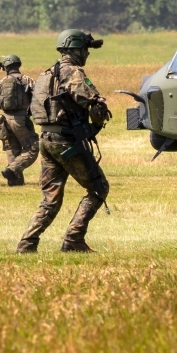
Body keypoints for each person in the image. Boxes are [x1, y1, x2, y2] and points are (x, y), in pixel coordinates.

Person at [17, 29, 112, 253]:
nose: (87, 53)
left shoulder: (46, 74)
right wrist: (96, 121)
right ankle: (73, 239)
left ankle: (27, 243)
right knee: (99, 188)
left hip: (46, 140)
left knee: (50, 198)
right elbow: (94, 102)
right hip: (66, 142)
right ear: (75, 49)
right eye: (85, 49)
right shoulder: (73, 72)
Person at [0, 55, 38, 186]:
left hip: (4, 120)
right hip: (20, 120)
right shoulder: (27, 80)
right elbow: (38, 97)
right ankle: (11, 170)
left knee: (13, 149)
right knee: (32, 148)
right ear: (18, 64)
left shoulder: (0, 83)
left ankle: (15, 181)